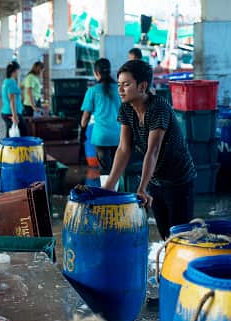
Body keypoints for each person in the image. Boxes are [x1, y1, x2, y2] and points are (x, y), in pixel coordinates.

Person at [103, 60, 196, 240]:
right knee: (164, 234)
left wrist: (142, 188)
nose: (120, 90)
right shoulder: (126, 109)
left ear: (142, 86)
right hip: (155, 178)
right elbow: (123, 148)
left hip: (179, 179)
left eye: (126, 85)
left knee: (180, 236)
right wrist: (109, 186)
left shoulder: (159, 107)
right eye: (119, 85)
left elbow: (152, 151)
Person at [80, 59, 121, 175]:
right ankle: (117, 192)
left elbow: (85, 117)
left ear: (96, 73)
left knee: (104, 171)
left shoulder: (92, 91)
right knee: (117, 169)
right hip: (119, 135)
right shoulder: (120, 89)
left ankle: (107, 191)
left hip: (101, 136)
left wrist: (82, 133)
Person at [1, 61, 26, 135]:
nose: (18, 73)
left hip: (7, 112)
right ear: (14, 71)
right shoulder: (11, 82)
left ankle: (5, 146)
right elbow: (12, 99)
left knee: (10, 135)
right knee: (23, 133)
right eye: (18, 71)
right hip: (11, 113)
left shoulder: (6, 81)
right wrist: (14, 116)